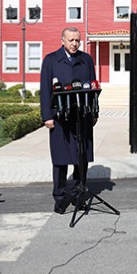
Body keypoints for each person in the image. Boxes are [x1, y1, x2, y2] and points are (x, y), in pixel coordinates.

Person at [39, 27, 97, 214]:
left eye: (77, 40)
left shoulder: (86, 59)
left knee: (82, 158)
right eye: (71, 40)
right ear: (62, 40)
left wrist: (95, 112)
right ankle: (60, 197)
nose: (74, 44)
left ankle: (78, 194)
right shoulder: (51, 60)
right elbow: (45, 90)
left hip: (82, 117)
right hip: (59, 118)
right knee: (60, 160)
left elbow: (93, 87)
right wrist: (46, 116)